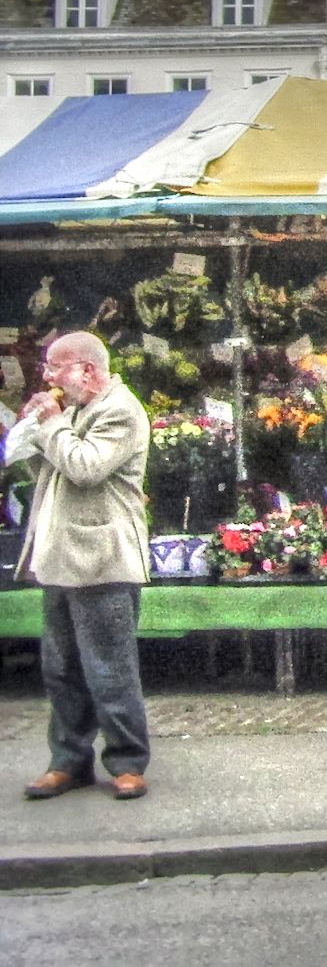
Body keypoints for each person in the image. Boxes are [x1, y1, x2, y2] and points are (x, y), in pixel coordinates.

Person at [7, 331, 153, 802]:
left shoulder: (120, 410)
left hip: (102, 559)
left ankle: (127, 763)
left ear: (87, 370)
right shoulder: (70, 410)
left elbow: (86, 467)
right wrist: (32, 431)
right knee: (62, 669)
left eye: (56, 367)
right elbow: (49, 470)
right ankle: (68, 762)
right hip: (59, 559)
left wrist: (51, 425)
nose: (47, 376)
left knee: (109, 669)